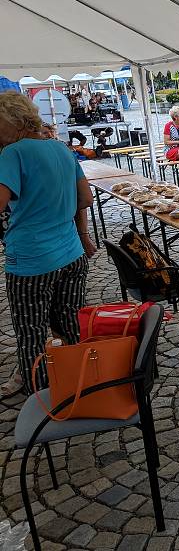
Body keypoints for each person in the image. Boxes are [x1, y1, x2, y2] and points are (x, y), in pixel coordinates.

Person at [0, 91, 94, 397]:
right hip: (71, 254)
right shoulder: (62, 150)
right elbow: (85, 199)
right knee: (70, 326)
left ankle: (42, 400)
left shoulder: (12, 154)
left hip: (31, 261)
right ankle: (79, 384)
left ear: (9, 121)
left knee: (32, 334)